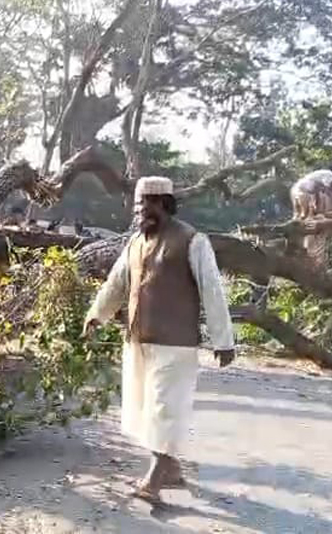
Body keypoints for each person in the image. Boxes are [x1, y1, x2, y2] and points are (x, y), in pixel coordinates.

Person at [83, 176, 235, 505]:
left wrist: (223, 340)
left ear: (165, 204)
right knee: (147, 410)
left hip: (176, 345)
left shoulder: (193, 241)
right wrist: (96, 315)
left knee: (166, 409)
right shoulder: (136, 242)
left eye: (147, 206)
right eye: (138, 207)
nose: (141, 213)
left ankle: (153, 480)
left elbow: (212, 290)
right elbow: (116, 284)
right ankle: (173, 469)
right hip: (138, 340)